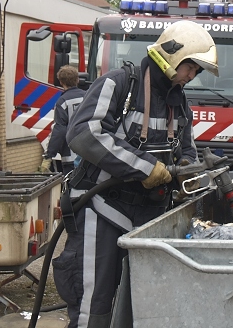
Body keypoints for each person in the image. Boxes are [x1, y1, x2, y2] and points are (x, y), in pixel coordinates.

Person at [53, 20, 218, 328]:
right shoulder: (119, 83)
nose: (192, 76)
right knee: (95, 305)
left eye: (197, 71)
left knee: (144, 304)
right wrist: (145, 167)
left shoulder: (179, 102)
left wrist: (189, 172)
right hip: (102, 209)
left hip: (148, 219)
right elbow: (84, 133)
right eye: (190, 67)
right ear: (172, 54)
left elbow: (187, 151)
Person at [38, 65, 86, 175]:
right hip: (89, 154)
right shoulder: (87, 97)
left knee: (70, 187)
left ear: (61, 82)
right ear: (77, 80)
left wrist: (49, 155)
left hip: (70, 157)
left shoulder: (62, 102)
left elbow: (59, 130)